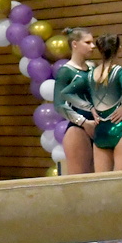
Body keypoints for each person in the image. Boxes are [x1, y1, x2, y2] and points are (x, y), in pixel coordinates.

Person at [63, 33, 122, 172]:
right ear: (119, 48)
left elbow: (66, 92)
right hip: (119, 127)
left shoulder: (90, 74)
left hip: (100, 130)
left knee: (102, 181)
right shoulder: (119, 71)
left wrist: (90, 108)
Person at [54, 27, 97, 174]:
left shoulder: (93, 67)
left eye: (93, 42)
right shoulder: (66, 71)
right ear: (75, 44)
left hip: (98, 126)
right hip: (79, 129)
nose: (93, 46)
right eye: (88, 42)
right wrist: (83, 122)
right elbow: (59, 104)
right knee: (81, 179)